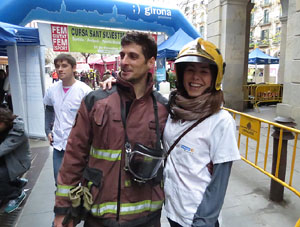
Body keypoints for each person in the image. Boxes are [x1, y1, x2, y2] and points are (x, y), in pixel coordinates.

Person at [53, 31, 168, 227]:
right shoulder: (96, 100)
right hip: (99, 215)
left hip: (147, 217)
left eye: (133, 56)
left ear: (150, 62)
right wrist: (63, 210)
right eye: (122, 55)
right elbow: (74, 155)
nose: (124, 61)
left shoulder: (163, 108)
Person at [163, 38, 240, 227]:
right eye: (190, 70)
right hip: (172, 210)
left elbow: (219, 182)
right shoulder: (172, 109)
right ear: (180, 74)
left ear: (215, 77)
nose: (195, 77)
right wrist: (116, 84)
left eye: (204, 71)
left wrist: (203, 221)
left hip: (197, 218)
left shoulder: (221, 121)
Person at [43, 54, 92, 184]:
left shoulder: (85, 91)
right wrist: (47, 129)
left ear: (74, 68)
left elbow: (93, 118)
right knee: (58, 181)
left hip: (79, 145)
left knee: (79, 182)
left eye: (64, 66)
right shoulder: (52, 90)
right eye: (57, 66)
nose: (60, 69)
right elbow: (48, 109)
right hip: (59, 144)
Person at [0, 108, 31, 213]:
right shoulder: (4, 128)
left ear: (4, 122)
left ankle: (16, 194)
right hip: (7, 161)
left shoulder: (18, 133)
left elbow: (3, 149)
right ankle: (16, 182)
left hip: (18, 164)